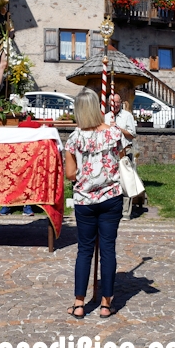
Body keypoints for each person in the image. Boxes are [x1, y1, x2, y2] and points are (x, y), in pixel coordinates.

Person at [64, 88, 123, 319]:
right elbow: (120, 157)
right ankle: (106, 304)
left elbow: (70, 173)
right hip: (110, 196)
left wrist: (81, 172)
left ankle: (79, 303)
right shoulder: (113, 133)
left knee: (84, 250)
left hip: (85, 200)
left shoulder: (75, 138)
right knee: (108, 249)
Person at [105, 93, 138, 219]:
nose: (116, 105)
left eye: (118, 102)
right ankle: (112, 210)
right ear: (109, 103)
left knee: (126, 182)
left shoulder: (127, 116)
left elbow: (132, 134)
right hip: (110, 154)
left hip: (124, 152)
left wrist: (118, 129)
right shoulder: (106, 117)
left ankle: (126, 212)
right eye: (113, 102)